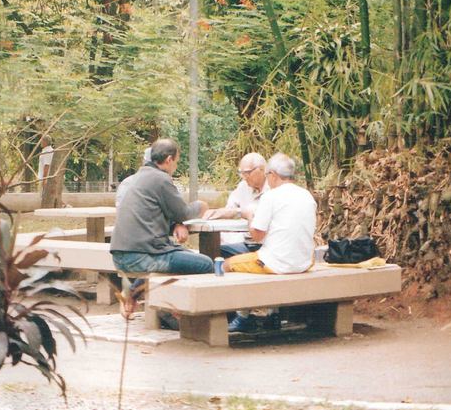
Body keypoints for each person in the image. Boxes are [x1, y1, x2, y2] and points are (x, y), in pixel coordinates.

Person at [111, 138, 213, 327]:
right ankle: (191, 318)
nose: (175, 166)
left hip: (123, 252)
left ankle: (135, 294)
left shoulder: (141, 176)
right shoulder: (160, 179)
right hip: (142, 255)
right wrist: (201, 205)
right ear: (168, 159)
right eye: (176, 161)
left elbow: (160, 214)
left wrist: (176, 224)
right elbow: (182, 211)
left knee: (187, 258)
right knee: (205, 264)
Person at [223, 152, 317, 332]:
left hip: (278, 263)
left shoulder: (271, 196)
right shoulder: (306, 196)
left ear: (272, 175)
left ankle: (242, 317)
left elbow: (257, 235)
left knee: (226, 264)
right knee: (259, 258)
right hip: (304, 262)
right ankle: (273, 315)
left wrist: (250, 215)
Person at [203, 152, 269, 257]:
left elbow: (256, 216)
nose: (244, 177)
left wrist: (239, 212)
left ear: (261, 170)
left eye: (247, 173)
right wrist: (217, 213)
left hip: (266, 245)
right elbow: (230, 209)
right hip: (246, 243)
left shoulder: (273, 190)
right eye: (241, 173)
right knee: (212, 251)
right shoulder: (243, 187)